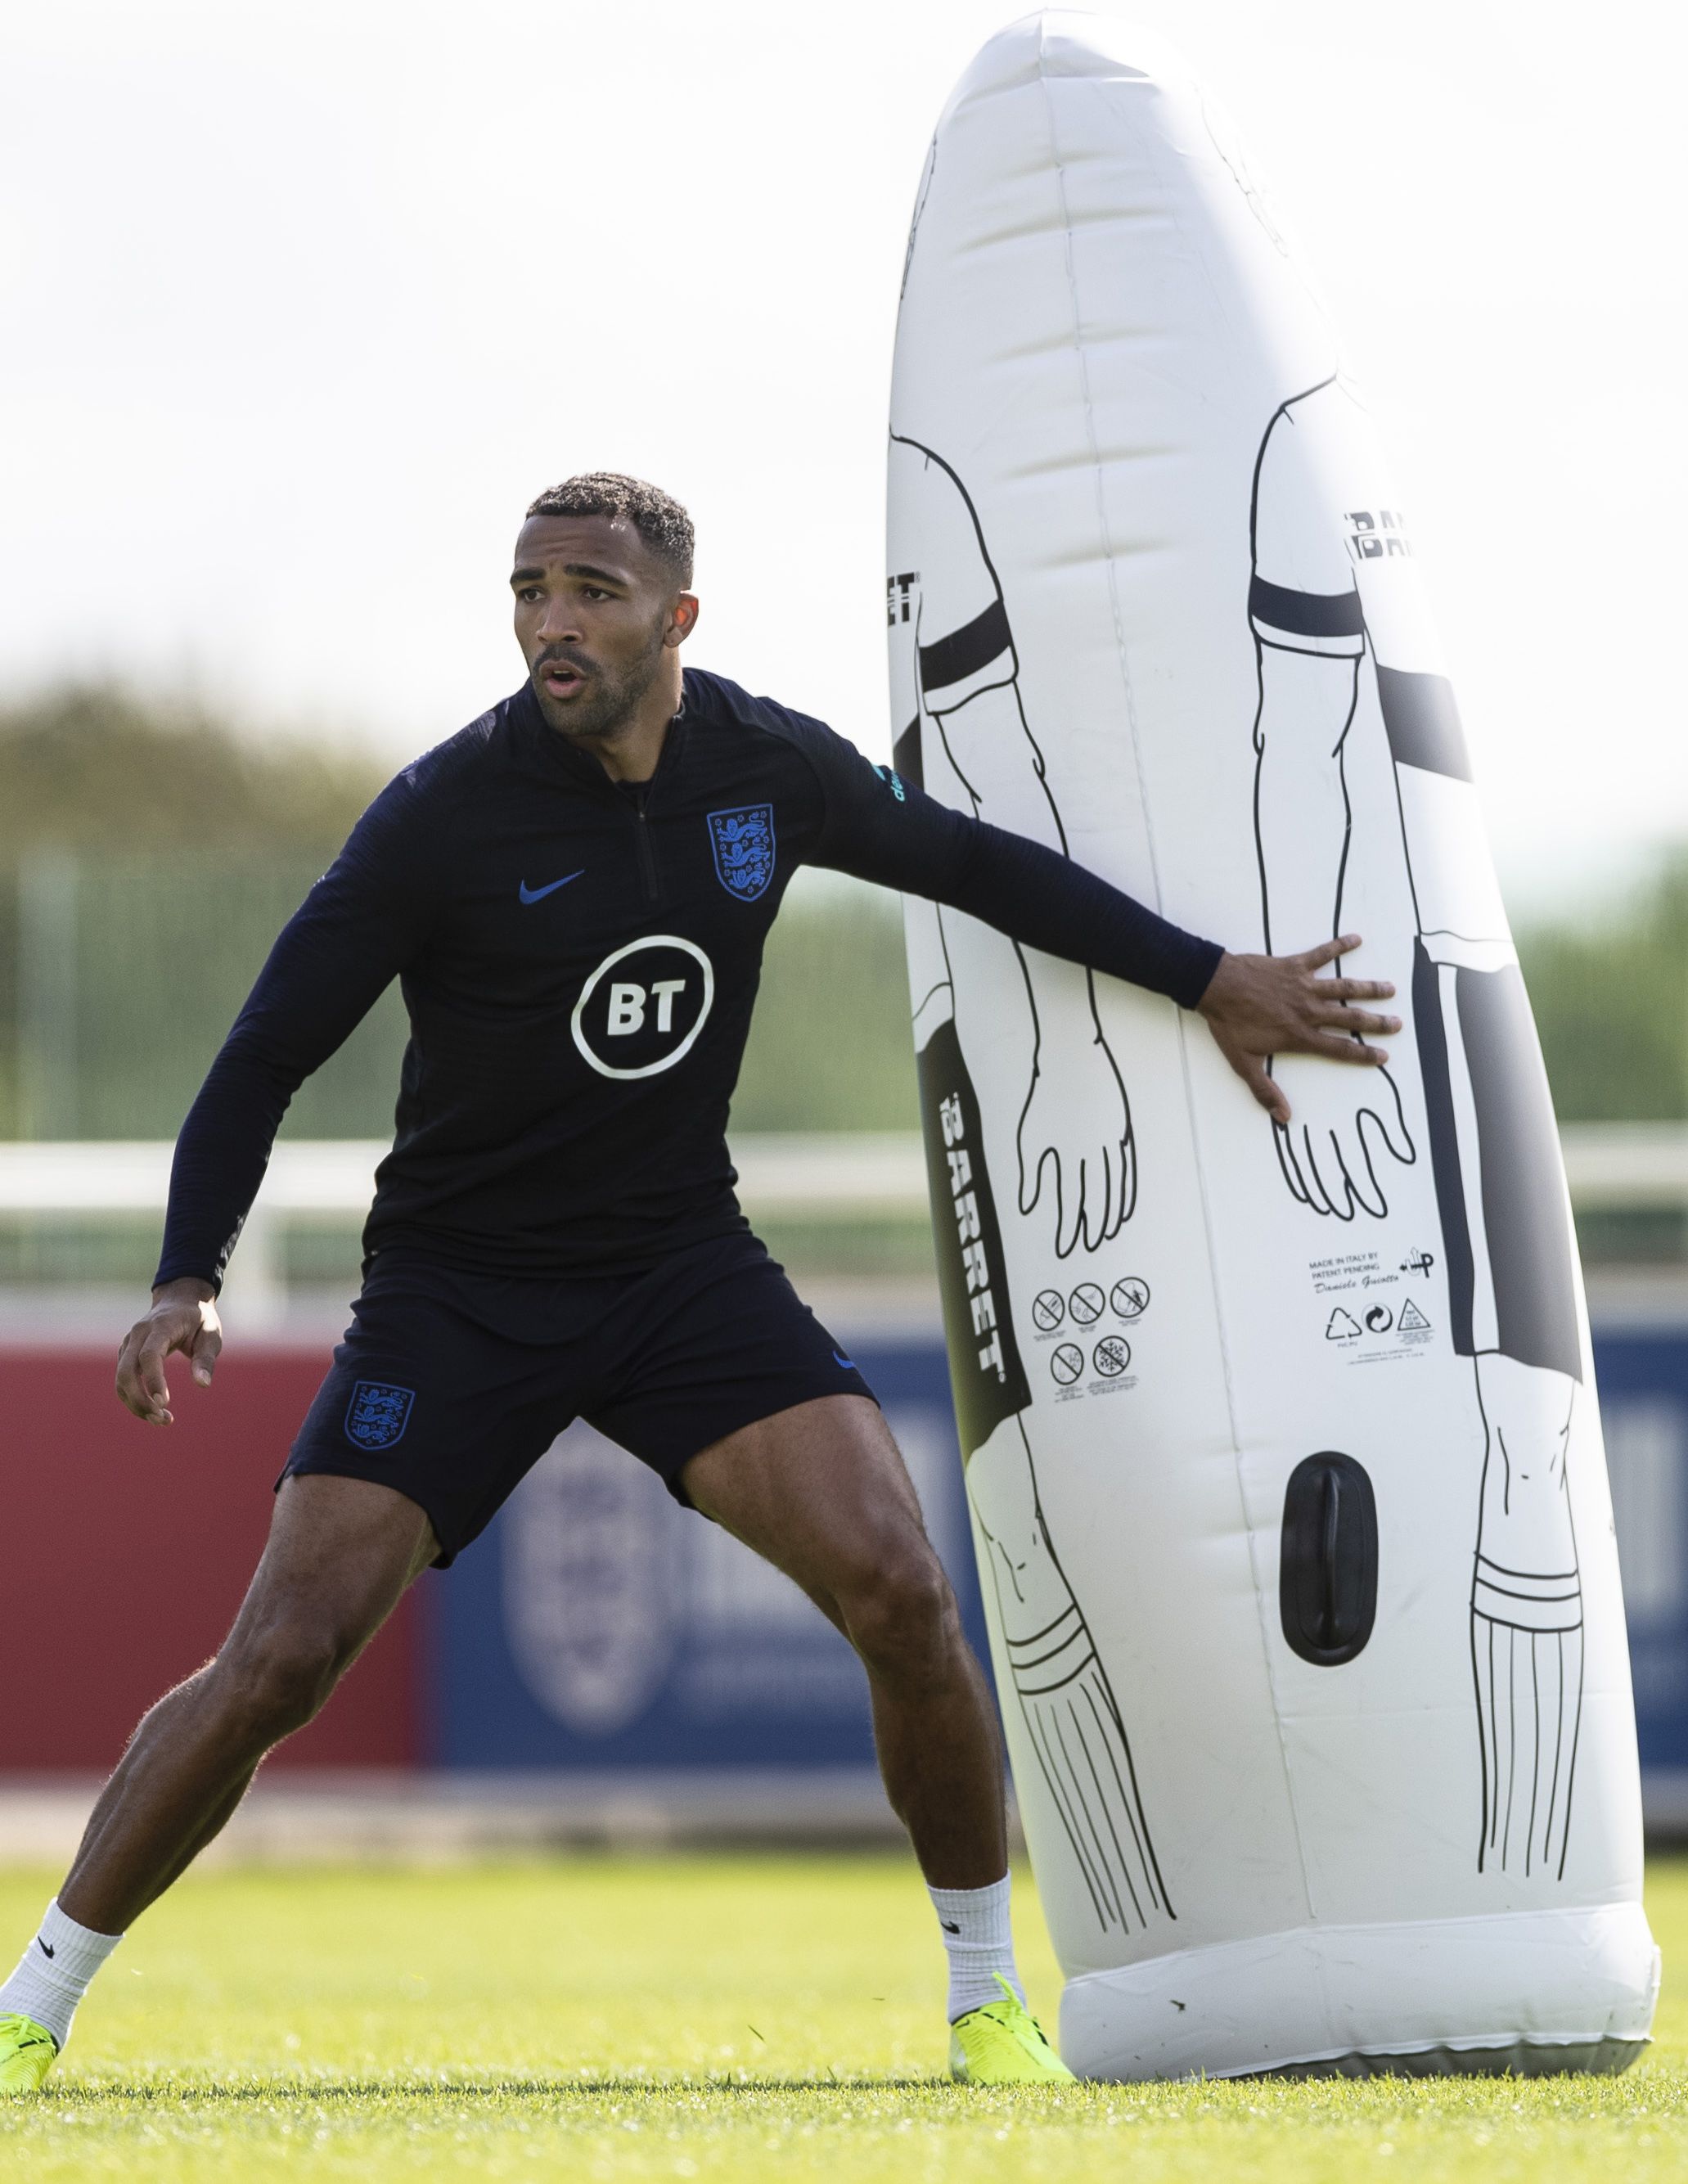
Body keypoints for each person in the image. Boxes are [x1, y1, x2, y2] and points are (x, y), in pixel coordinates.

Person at [0, 473, 1399, 2092]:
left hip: (677, 1272)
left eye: (589, 591)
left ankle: (981, 2003)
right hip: (461, 1290)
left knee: (903, 1591)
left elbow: (974, 870)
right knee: (282, 1658)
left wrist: (1213, 976)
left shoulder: (765, 766)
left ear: (676, 618)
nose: (550, 624)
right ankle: (32, 2008)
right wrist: (189, 1273)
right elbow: (263, 1054)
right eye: (528, 590)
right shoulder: (444, 811)